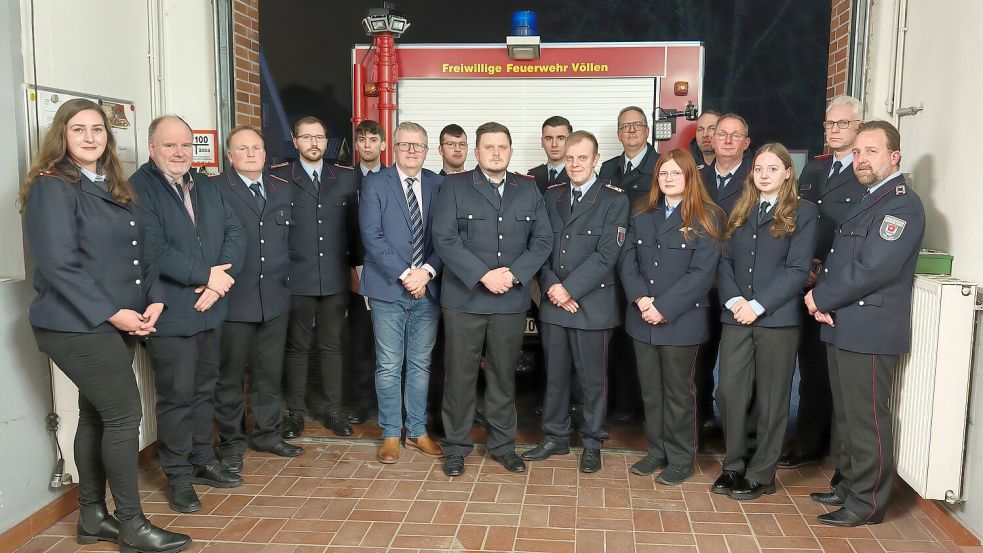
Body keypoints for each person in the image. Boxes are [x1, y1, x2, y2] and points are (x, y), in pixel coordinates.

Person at [20, 98, 191, 553]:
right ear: (62, 136)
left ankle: (93, 517)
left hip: (118, 320)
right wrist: (114, 312)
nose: (91, 137)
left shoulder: (112, 183)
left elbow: (142, 254)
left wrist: (153, 299)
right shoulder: (52, 185)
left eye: (98, 129)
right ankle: (132, 524)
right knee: (123, 415)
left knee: (97, 414)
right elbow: (60, 266)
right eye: (79, 129)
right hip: (76, 324)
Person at [805, 120, 925, 527]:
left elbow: (874, 268)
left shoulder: (902, 204)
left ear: (894, 157)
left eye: (870, 151)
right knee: (847, 415)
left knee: (868, 419)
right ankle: (847, 485)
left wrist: (820, 297)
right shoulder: (869, 198)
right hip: (844, 322)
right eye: (856, 152)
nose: (860, 159)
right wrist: (828, 302)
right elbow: (843, 260)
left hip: (870, 329)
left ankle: (866, 504)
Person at [131, 115, 245, 513]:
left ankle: (202, 461)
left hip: (211, 310)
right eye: (170, 145)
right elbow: (153, 249)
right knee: (176, 399)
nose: (180, 152)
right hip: (173, 312)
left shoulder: (207, 185)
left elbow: (235, 233)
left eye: (185, 145)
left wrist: (218, 283)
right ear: (151, 148)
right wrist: (206, 277)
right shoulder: (138, 188)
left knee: (203, 391)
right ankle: (178, 476)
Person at [432, 122, 552, 477]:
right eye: (489, 147)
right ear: (477, 152)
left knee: (503, 376)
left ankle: (502, 445)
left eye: (502, 147)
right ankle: (456, 447)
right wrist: (484, 275)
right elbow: (444, 238)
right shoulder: (454, 186)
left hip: (509, 302)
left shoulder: (528, 189)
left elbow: (542, 241)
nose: (496, 153)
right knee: (459, 377)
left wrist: (513, 275)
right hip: (465, 300)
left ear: (511, 150)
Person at [713, 143, 818, 500]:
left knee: (773, 399)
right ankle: (733, 465)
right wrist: (734, 300)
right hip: (736, 316)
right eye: (759, 169)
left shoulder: (805, 212)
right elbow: (723, 262)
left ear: (788, 172)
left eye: (773, 169)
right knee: (729, 392)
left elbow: (797, 269)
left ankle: (762, 473)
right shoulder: (739, 209)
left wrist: (757, 305)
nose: (764, 175)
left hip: (776, 319)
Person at [522, 131, 629, 473]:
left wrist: (570, 289)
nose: (575, 164)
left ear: (596, 159)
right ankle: (555, 437)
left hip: (592, 306)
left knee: (592, 380)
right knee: (554, 375)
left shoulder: (614, 200)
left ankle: (592, 442)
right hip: (555, 304)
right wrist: (553, 286)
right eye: (570, 158)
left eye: (583, 157)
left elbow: (608, 253)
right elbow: (540, 246)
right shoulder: (551, 196)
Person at [619, 148, 724, 486]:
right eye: (663, 173)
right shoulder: (642, 213)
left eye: (676, 173)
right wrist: (641, 299)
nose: (668, 179)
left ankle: (681, 457)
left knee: (679, 392)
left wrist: (662, 307)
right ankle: (657, 450)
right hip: (642, 317)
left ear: (690, 177)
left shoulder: (707, 216)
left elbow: (701, 275)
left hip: (681, 321)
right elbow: (627, 261)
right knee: (650, 391)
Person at [780, 95, 867, 472]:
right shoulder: (814, 171)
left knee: (831, 374)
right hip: (807, 280)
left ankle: (824, 445)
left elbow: (861, 236)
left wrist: (824, 273)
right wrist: (804, 267)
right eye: (829, 124)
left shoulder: (865, 173)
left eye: (842, 124)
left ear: (859, 127)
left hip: (840, 288)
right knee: (810, 367)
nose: (833, 131)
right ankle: (809, 440)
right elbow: (798, 221)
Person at [213, 125, 302, 473]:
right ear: (230, 155)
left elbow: (291, 241)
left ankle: (267, 433)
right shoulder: (216, 189)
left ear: (266, 154)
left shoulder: (282, 187)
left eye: (257, 148)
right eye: (242, 149)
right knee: (231, 376)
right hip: (235, 300)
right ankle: (232, 443)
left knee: (268, 373)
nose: (251, 154)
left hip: (275, 298)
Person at [359, 122, 445, 463]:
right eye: (405, 144)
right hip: (388, 288)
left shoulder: (440, 185)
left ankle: (418, 431)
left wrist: (426, 272)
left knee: (421, 365)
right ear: (392, 147)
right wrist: (407, 273)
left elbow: (446, 238)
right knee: (389, 365)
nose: (412, 150)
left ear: (427, 150)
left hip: (428, 289)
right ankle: (392, 433)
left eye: (419, 145)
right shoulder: (375, 184)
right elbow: (371, 235)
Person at [273, 117, 359, 437]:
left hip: (336, 277)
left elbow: (355, 229)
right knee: (297, 347)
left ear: (327, 143)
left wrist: (356, 268)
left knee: (332, 345)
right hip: (296, 277)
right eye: (306, 137)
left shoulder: (347, 178)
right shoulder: (280, 178)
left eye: (319, 138)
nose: (313, 143)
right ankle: (295, 413)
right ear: (295, 142)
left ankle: (335, 412)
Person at [694, 112, 753, 440]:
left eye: (735, 135)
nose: (727, 140)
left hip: (738, 286)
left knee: (739, 367)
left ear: (746, 143)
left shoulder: (756, 179)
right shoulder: (696, 178)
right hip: (698, 285)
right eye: (721, 134)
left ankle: (740, 430)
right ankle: (700, 422)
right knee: (699, 359)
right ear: (711, 140)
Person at [598, 106, 658, 423]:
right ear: (619, 133)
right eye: (625, 126)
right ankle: (617, 405)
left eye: (637, 125)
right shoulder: (607, 169)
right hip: (610, 269)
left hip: (645, 268)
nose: (631, 130)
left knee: (642, 339)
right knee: (614, 337)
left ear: (647, 130)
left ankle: (640, 408)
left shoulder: (662, 166)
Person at [346, 119, 388, 425]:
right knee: (360, 340)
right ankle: (360, 401)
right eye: (363, 140)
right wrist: (351, 265)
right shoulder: (345, 179)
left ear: (383, 144)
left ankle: (388, 400)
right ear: (357, 145)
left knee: (388, 343)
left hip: (388, 272)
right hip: (356, 270)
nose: (368, 145)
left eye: (374, 139)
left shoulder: (392, 179)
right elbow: (340, 227)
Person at [527, 116, 571, 194]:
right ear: (542, 142)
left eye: (560, 138)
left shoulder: (577, 174)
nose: (554, 144)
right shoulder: (532, 176)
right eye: (548, 139)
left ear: (571, 141)